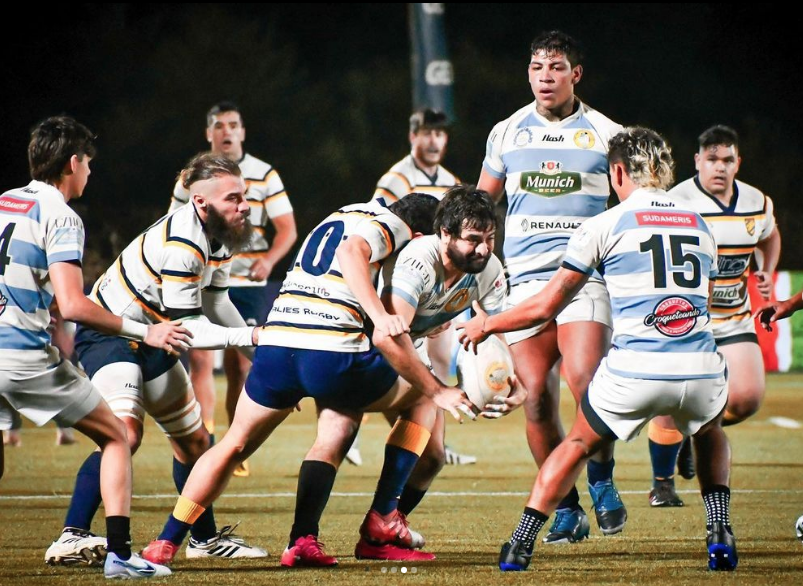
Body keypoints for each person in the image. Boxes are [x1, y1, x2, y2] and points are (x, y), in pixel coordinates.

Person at [140, 190, 484, 566]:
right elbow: (352, 254)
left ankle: (167, 542)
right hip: (331, 350)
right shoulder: (394, 230)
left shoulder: (344, 210)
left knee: (235, 443)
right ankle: (382, 520)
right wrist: (383, 318)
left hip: (278, 342)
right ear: (422, 236)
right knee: (423, 394)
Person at [460, 127, 737, 572]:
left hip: (635, 371)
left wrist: (488, 322)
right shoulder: (701, 224)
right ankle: (720, 533)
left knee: (574, 443)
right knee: (711, 431)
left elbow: (548, 305)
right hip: (699, 368)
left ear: (619, 171)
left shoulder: (603, 224)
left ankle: (520, 544)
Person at [281, 186, 523, 566]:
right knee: (375, 418)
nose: (484, 249)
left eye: (490, 239)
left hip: (394, 348)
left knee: (433, 457)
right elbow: (390, 337)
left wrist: (514, 378)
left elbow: (494, 330)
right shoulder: (415, 261)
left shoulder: (487, 269)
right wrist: (437, 389)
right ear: (442, 234)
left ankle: (363, 535)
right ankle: (354, 527)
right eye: (474, 240)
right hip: (363, 348)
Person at [46, 153, 267, 567]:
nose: (245, 206)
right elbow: (195, 329)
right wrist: (254, 336)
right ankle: (71, 534)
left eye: (244, 196)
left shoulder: (220, 231)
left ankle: (202, 539)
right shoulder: (184, 242)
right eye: (234, 198)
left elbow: (216, 302)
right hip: (110, 332)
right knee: (124, 433)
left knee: (196, 442)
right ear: (201, 202)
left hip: (156, 335)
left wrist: (259, 355)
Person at [1, 115, 182, 578]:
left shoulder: (4, 202)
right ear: (72, 162)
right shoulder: (60, 215)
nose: (90, 172)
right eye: (87, 163)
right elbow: (74, 305)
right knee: (116, 435)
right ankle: (120, 555)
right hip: (21, 356)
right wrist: (146, 331)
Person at [476, 30, 625, 542]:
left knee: (586, 382)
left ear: (575, 75)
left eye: (556, 67)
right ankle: (566, 505)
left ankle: (603, 478)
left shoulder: (608, 134)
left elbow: (634, 204)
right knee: (535, 396)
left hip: (585, 278)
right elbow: (481, 204)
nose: (545, 75)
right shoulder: (507, 132)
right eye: (537, 66)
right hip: (526, 283)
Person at [646, 125, 781, 507]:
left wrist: (766, 270)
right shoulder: (676, 201)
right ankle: (662, 484)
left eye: (726, 160)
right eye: (711, 159)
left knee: (746, 399)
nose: (718, 167)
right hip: (685, 319)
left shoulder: (757, 202)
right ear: (697, 161)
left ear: (738, 163)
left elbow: (770, 235)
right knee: (676, 400)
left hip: (734, 316)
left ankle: (697, 436)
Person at [169, 101, 297, 477]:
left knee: (240, 364)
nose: (227, 131)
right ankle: (204, 439)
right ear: (209, 134)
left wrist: (269, 260)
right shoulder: (193, 178)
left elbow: (287, 227)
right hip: (203, 278)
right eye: (219, 125)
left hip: (246, 282)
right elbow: (172, 222)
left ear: (243, 132)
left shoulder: (264, 174)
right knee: (201, 359)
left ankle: (233, 443)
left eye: (234, 125)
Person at [352, 108, 474, 469]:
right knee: (386, 355)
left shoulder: (451, 181)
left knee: (438, 361)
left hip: (436, 288)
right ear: (413, 137)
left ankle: (438, 442)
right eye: (427, 133)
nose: (434, 140)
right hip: (404, 285)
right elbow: (378, 228)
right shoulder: (395, 179)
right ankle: (350, 435)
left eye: (440, 134)